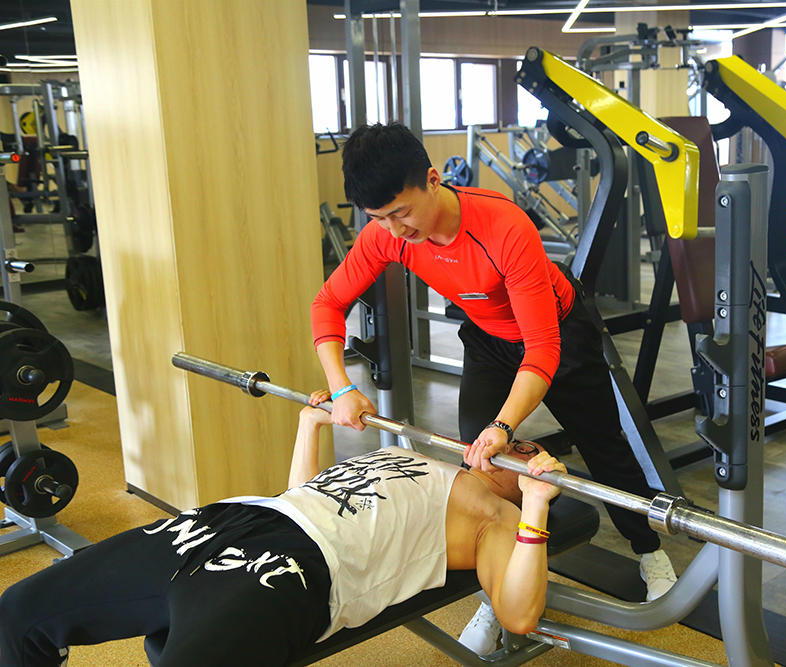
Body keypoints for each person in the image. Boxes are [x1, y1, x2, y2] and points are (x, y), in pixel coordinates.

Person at [311, 122, 677, 654]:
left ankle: (649, 551)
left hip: (557, 332)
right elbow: (328, 303)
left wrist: (505, 424)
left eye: (401, 213)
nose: (393, 230)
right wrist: (341, 387)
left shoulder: (503, 226)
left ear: (433, 180)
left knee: (605, 449)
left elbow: (542, 348)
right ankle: (499, 587)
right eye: (378, 218)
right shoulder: (386, 234)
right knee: (482, 464)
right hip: (488, 338)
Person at [0, 395, 566, 667]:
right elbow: (305, 496)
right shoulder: (411, 454)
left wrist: (537, 505)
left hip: (293, 569)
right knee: (17, 612)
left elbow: (518, 615)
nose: (506, 445)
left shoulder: (497, 516)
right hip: (227, 520)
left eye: (524, 451)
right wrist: (309, 425)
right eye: (509, 439)